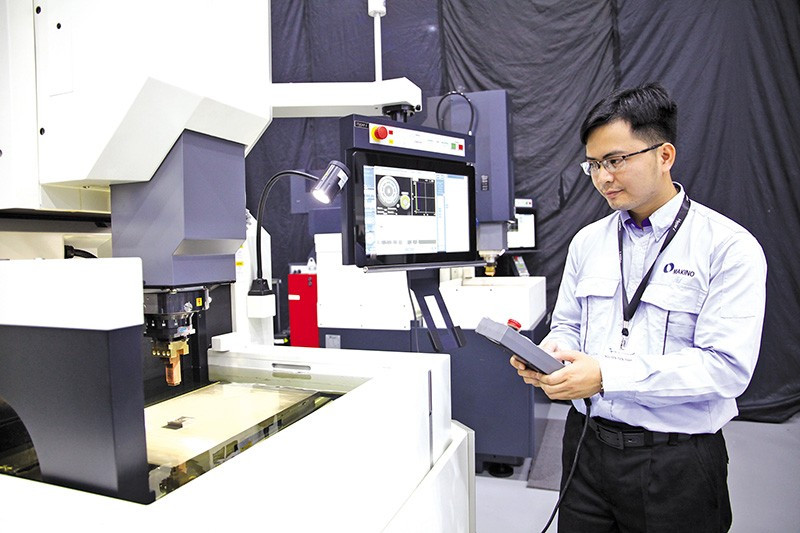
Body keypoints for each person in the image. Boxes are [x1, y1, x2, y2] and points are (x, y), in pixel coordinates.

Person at [510, 83, 767, 532]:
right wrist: (552, 354)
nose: (603, 177)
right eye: (593, 165)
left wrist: (606, 375)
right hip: (586, 451)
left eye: (616, 161)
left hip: (676, 461)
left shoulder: (727, 247)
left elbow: (727, 367)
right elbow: (568, 324)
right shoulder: (589, 241)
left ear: (664, 155)